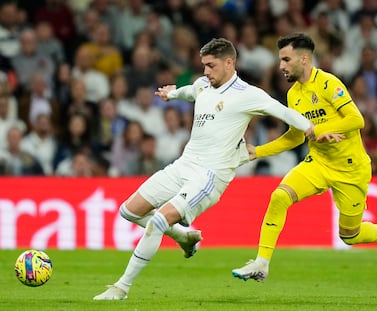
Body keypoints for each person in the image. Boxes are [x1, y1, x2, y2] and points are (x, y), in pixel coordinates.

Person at [93, 37, 313, 300]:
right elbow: (191, 91)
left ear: (229, 62)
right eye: (204, 66)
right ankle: (184, 237)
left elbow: (284, 112)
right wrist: (172, 93)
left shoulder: (248, 94)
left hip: (210, 176)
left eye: (211, 65)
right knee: (128, 210)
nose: (206, 72)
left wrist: (312, 130)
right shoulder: (203, 85)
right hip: (183, 166)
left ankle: (121, 288)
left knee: (160, 221)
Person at [232, 33, 377, 283]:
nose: (281, 66)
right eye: (280, 60)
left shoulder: (328, 83)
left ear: (304, 58)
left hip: (350, 169)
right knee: (279, 196)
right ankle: (261, 264)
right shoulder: (293, 94)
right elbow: (295, 137)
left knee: (349, 235)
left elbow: (357, 119)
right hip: (319, 163)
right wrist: (258, 151)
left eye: (286, 59)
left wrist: (319, 130)